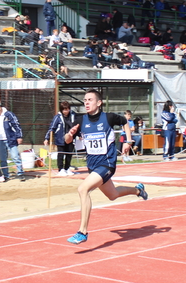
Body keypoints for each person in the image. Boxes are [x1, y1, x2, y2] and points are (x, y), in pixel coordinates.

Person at [63, 89, 148, 244]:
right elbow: (67, 140)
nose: (86, 102)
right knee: (113, 195)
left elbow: (124, 122)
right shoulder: (81, 121)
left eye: (90, 100)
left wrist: (128, 141)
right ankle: (138, 190)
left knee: (83, 189)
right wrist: (70, 133)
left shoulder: (108, 118)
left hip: (107, 164)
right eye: (85, 100)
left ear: (99, 103)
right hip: (93, 166)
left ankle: (82, 232)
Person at [44, 101, 76, 176]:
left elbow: (77, 125)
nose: (66, 111)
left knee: (69, 154)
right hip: (60, 139)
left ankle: (67, 168)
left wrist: (79, 135)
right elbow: (52, 128)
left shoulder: (73, 115)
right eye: (64, 109)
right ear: (61, 110)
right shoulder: (57, 117)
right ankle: (61, 169)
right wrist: (47, 138)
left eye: (67, 109)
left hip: (70, 138)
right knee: (61, 154)